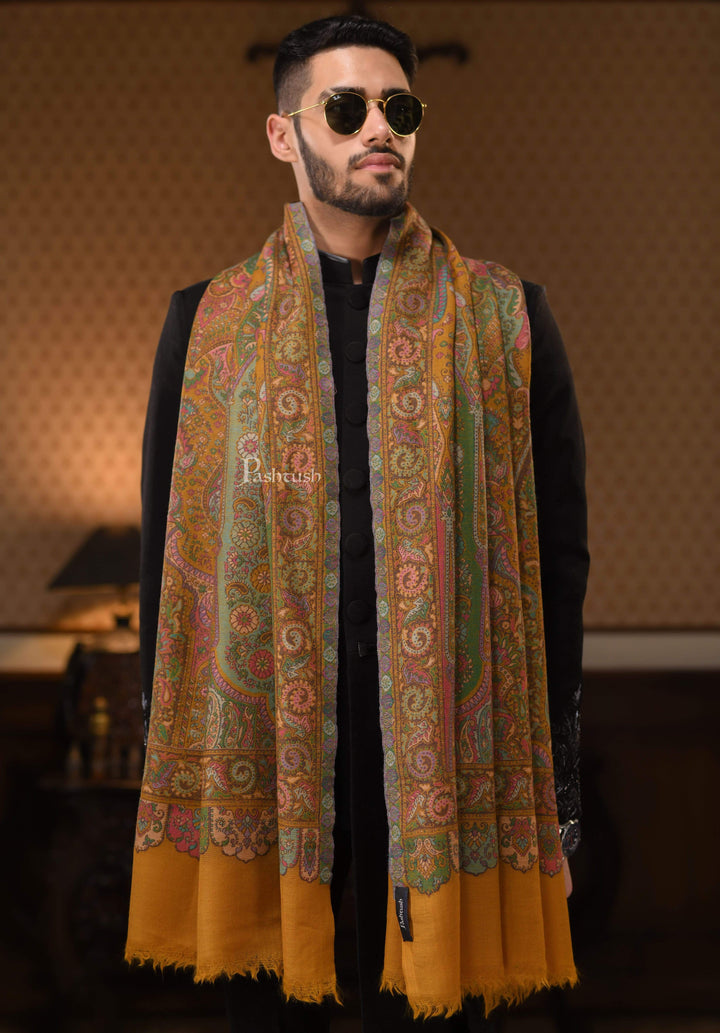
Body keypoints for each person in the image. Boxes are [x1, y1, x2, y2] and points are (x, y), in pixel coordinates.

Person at [126, 14, 589, 1033]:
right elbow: (169, 569)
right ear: (283, 134)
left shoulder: (508, 320)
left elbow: (560, 570)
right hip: (270, 762)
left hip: (448, 769)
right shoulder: (206, 326)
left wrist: (555, 800)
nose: (380, 128)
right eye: (346, 108)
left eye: (399, 108)